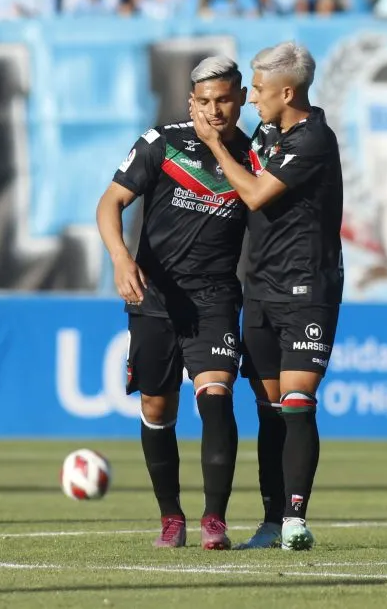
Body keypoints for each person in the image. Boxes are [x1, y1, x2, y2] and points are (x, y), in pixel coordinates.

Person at [188, 41, 343, 552]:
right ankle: (272, 521)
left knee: (298, 402)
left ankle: (296, 518)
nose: (251, 98)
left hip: (307, 288)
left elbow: (255, 193)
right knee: (269, 408)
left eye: (257, 89)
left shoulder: (313, 139)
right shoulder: (267, 133)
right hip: (259, 287)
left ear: (287, 92)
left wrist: (214, 145)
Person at [95, 56, 254, 550]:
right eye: (204, 101)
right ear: (191, 102)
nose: (214, 110)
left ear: (242, 99)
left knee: (216, 397)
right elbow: (109, 203)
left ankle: (215, 520)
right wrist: (121, 258)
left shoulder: (255, 158)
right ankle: (171, 517)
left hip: (215, 297)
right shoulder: (161, 143)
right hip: (155, 296)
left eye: (223, 100)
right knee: (156, 406)